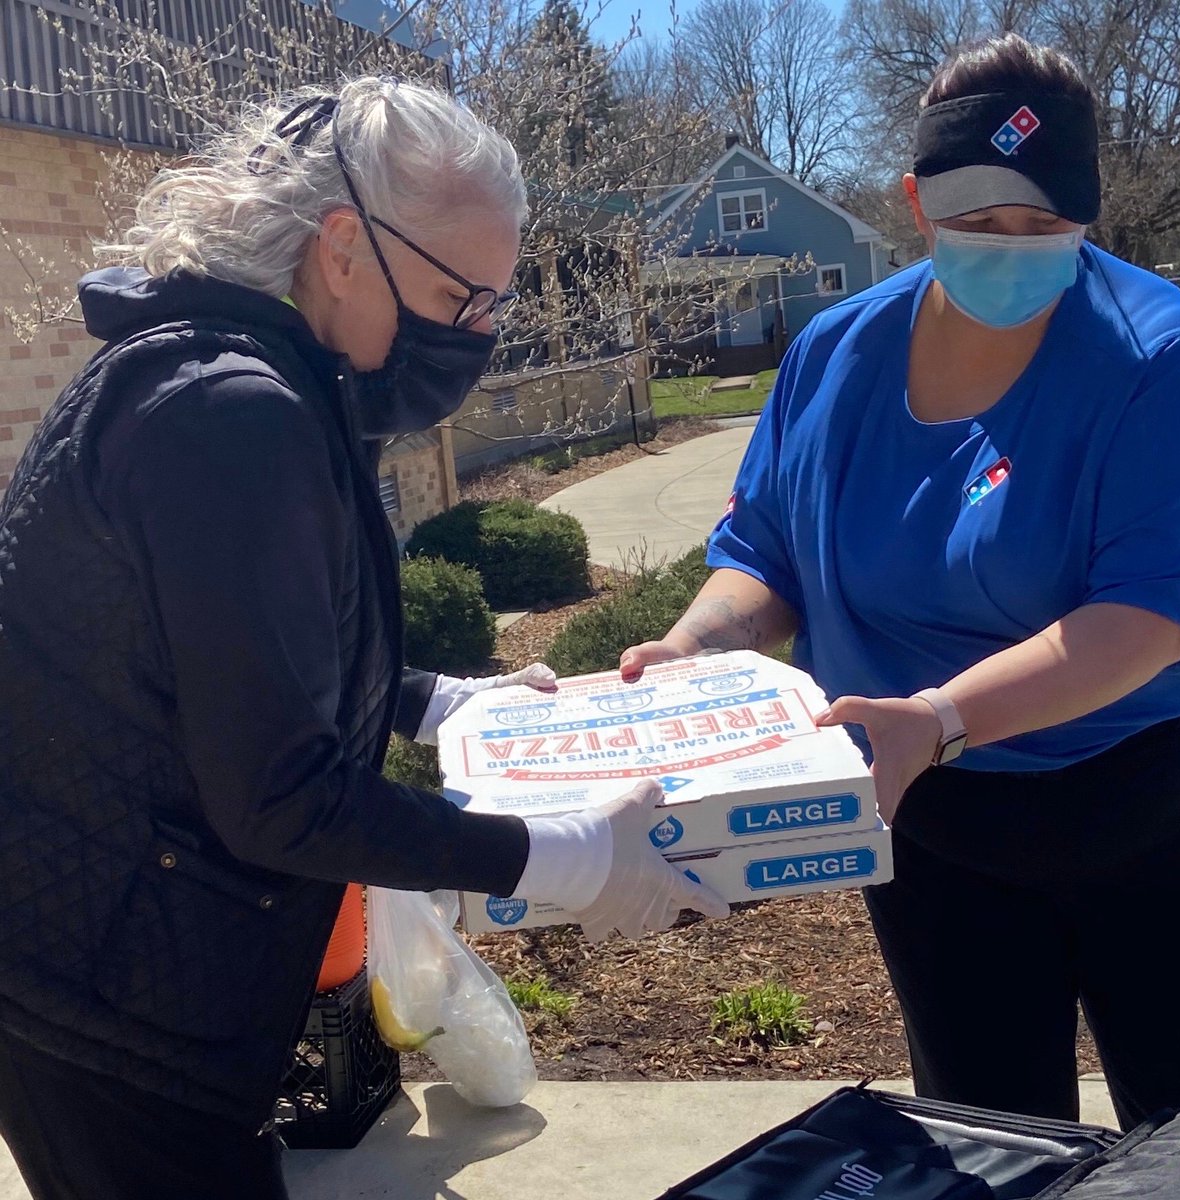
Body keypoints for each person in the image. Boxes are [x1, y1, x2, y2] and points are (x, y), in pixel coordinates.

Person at [0, 77, 726, 1200]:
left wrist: (445, 702)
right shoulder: (228, 415)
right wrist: (565, 857)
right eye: (456, 297)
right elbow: (280, 795)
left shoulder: (235, 376)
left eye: (492, 306)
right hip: (112, 1002)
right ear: (342, 247)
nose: (475, 336)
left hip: (118, 959)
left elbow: (240, 655)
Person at [622, 33, 1180, 1132]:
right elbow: (766, 552)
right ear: (916, 202)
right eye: (980, 219)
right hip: (930, 825)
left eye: (1044, 224)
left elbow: (1151, 616)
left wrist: (939, 718)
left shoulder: (1162, 357)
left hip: (1144, 811)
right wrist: (695, 650)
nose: (1013, 246)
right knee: (985, 1132)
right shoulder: (833, 352)